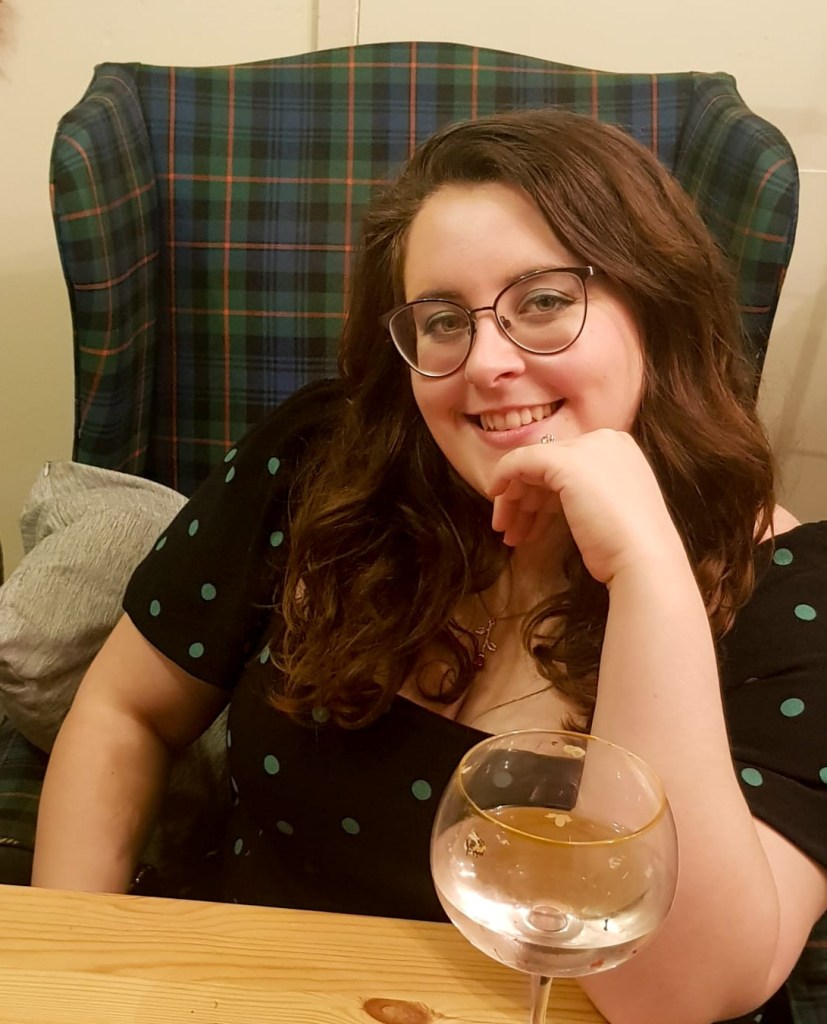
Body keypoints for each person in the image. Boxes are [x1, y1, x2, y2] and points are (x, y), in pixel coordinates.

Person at [32, 109, 826, 1024]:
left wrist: (647, 572)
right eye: (443, 320)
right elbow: (127, 709)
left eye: (542, 301)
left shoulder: (794, 593)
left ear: (656, 305)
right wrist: (69, 969)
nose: (488, 362)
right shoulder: (323, 462)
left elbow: (674, 996)